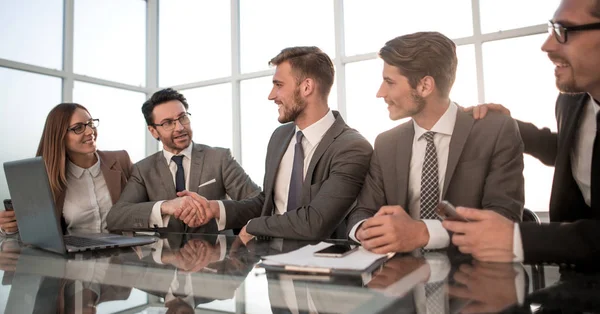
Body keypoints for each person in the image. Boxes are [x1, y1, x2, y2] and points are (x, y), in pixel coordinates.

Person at [443, 0, 600, 264]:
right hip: (575, 280)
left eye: (565, 30)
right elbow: (573, 151)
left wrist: (517, 239)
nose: (547, 45)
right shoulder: (571, 101)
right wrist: (510, 126)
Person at [345, 32, 525, 254]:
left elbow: (504, 218)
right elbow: (363, 211)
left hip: (474, 274)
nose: (380, 93)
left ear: (425, 86)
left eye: (389, 82)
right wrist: (365, 230)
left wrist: (423, 233)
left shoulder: (495, 131)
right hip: (401, 277)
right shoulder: (386, 144)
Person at [184, 46, 372, 240]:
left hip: (320, 265)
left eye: (279, 85)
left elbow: (315, 222)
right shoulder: (280, 137)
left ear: (307, 87)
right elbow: (267, 202)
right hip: (270, 261)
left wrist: (253, 226)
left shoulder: (352, 147)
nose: (271, 95)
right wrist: (216, 209)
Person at [107, 88, 260, 233]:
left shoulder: (220, 158)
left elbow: (259, 202)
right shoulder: (143, 169)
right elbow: (116, 217)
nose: (180, 127)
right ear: (153, 131)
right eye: (168, 123)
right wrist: (165, 207)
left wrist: (215, 208)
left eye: (183, 118)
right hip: (164, 258)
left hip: (218, 255)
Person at [0, 103, 132, 235]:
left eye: (91, 124)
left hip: (124, 252)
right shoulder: (47, 176)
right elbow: (35, 233)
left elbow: (145, 208)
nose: (90, 131)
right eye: (78, 128)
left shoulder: (121, 160)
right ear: (60, 136)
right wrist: (9, 227)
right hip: (73, 254)